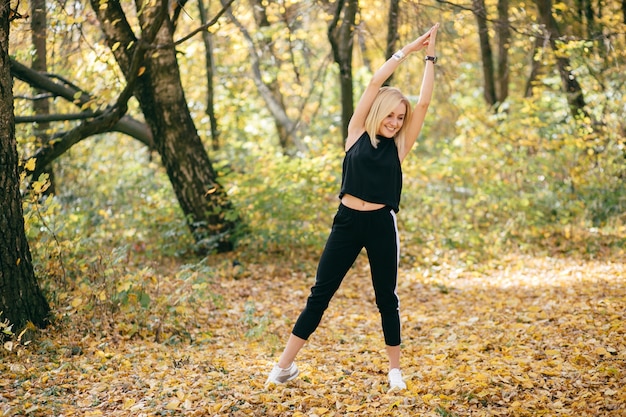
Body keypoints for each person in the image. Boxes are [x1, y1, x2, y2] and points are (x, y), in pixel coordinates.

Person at [266, 23, 440, 392]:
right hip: (346, 222)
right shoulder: (357, 133)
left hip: (380, 224)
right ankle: (282, 367)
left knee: (386, 298)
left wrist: (430, 56)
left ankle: (395, 371)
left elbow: (423, 102)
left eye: (400, 118)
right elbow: (375, 82)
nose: (395, 122)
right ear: (378, 113)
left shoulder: (399, 146)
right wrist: (407, 49)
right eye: (391, 115)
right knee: (320, 294)